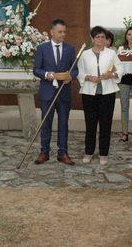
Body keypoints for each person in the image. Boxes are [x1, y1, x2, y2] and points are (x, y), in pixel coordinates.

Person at [33, 19, 78, 165]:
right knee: (46, 123)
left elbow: (75, 69)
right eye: (60, 32)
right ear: (52, 32)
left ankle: (62, 153)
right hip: (47, 92)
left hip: (64, 93)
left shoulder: (70, 49)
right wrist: (47, 75)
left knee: (63, 123)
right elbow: (36, 69)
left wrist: (70, 76)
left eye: (64, 32)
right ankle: (44, 152)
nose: (63, 34)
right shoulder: (42, 48)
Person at [78, 26, 122, 165]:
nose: (100, 39)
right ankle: (88, 152)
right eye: (97, 37)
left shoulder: (111, 53)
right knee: (90, 124)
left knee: (105, 124)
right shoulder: (85, 54)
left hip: (107, 93)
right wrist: (88, 77)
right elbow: (79, 71)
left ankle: (103, 154)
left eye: (103, 37)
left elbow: (120, 68)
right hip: (89, 94)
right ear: (92, 39)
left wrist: (112, 74)